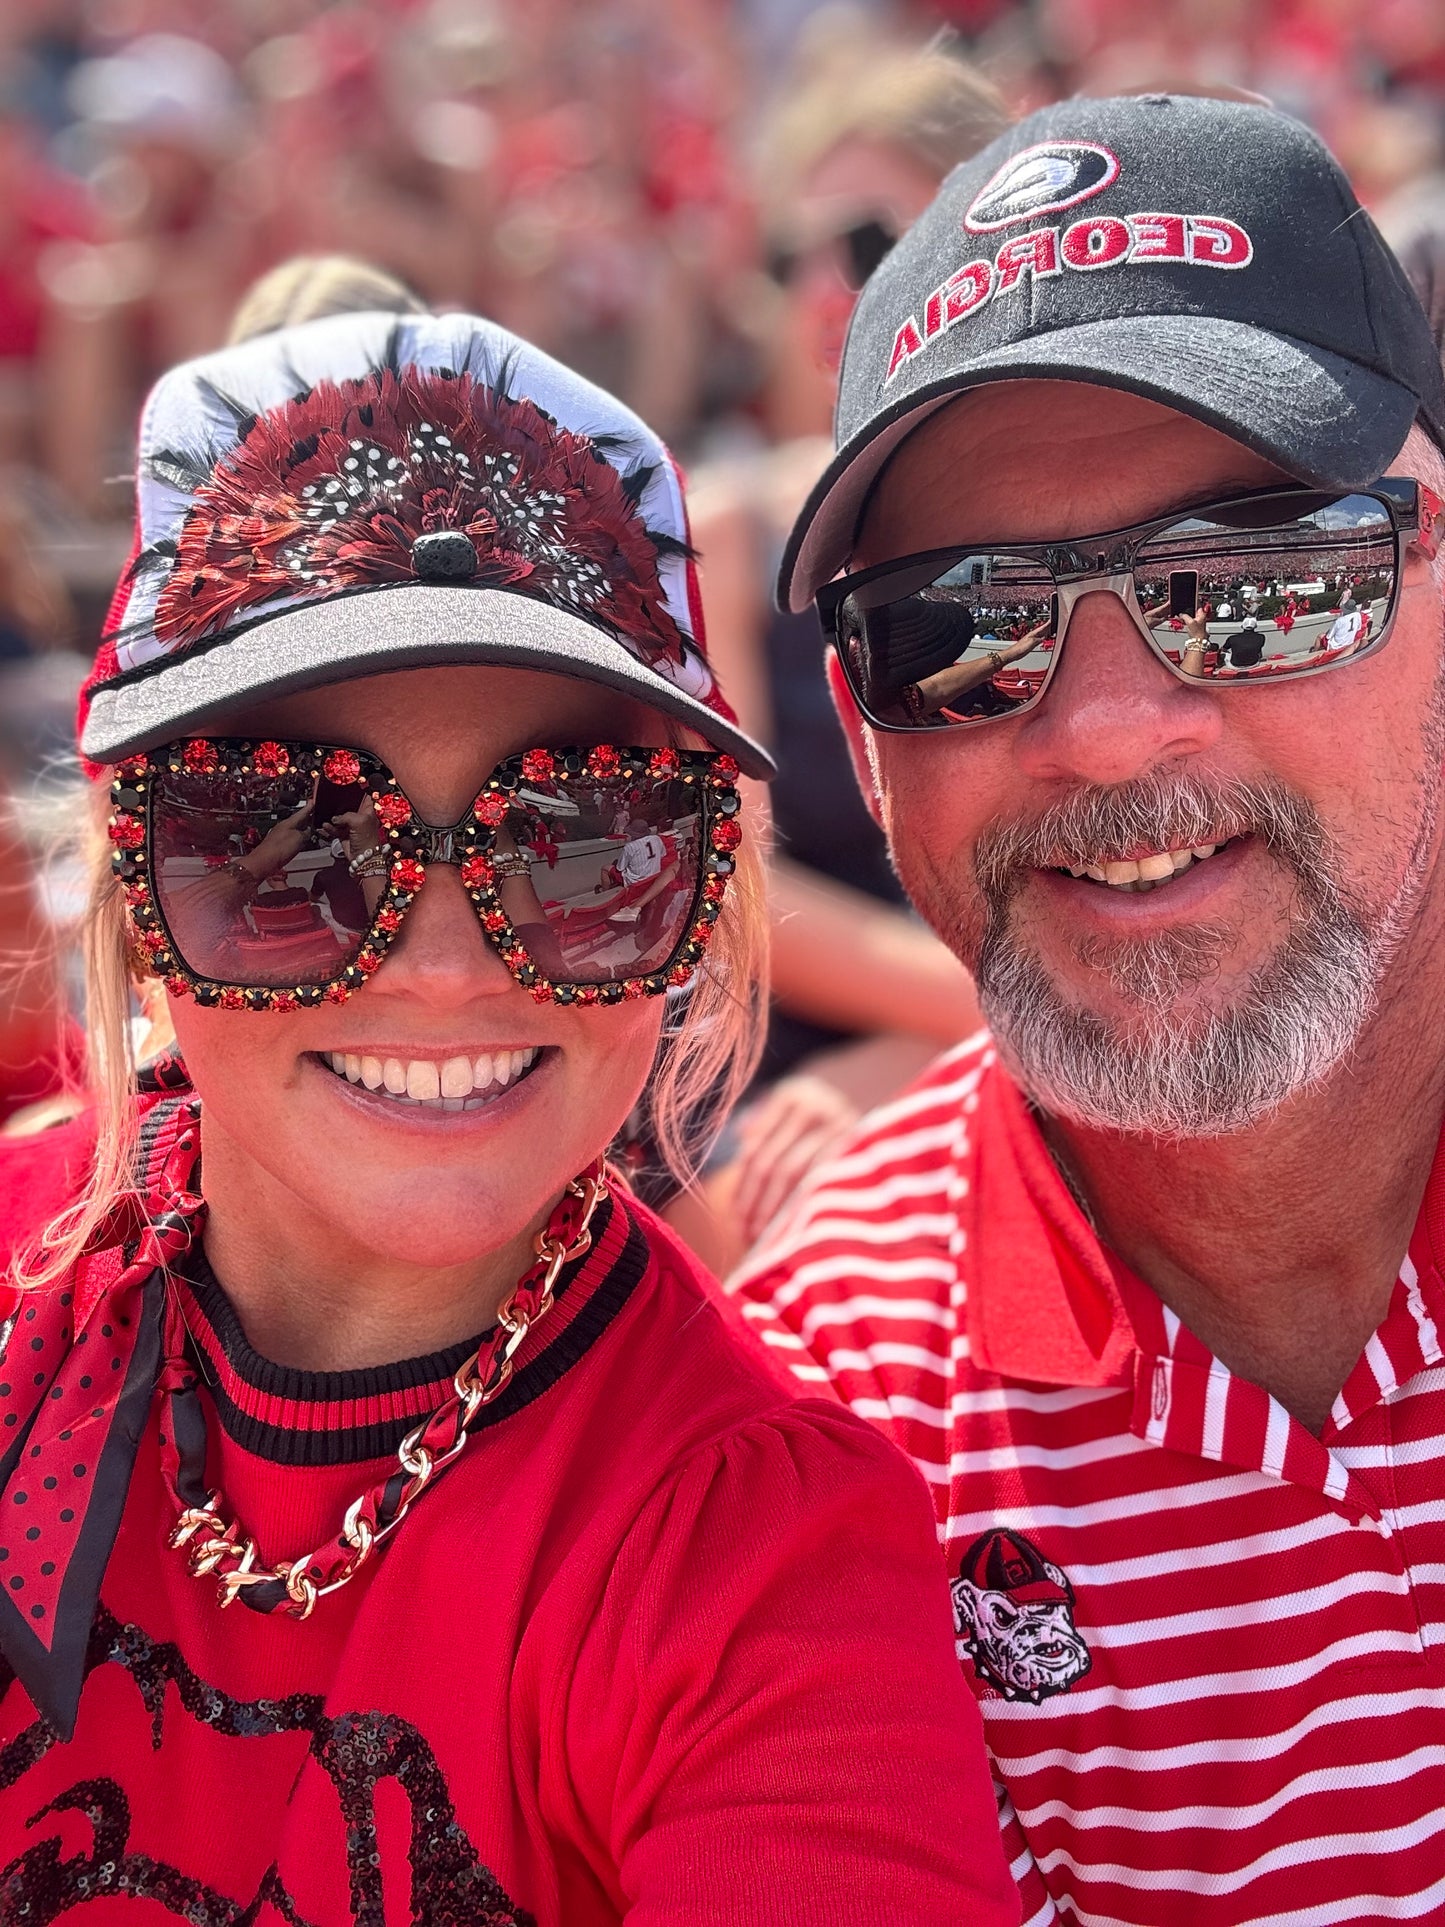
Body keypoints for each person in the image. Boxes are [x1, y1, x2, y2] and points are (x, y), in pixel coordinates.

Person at [0, 309, 1016, 1924]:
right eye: (279, 839)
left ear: (707, 890)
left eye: (579, 843)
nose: (445, 966)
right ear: (129, 871)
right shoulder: (19, 1277)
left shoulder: (762, 1564)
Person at [731, 93, 1445, 1923]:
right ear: (867, 745)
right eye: (958, 629)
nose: (1107, 726)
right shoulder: (818, 1412)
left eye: (1257, 585)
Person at [672, 30, 1002, 1269]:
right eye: (787, 254)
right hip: (791, 1068)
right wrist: (975, 1022)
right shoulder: (720, 529)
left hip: (1058, 1026)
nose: (818, 288)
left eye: (862, 245)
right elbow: (732, 900)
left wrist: (950, 1053)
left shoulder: (1079, 531)